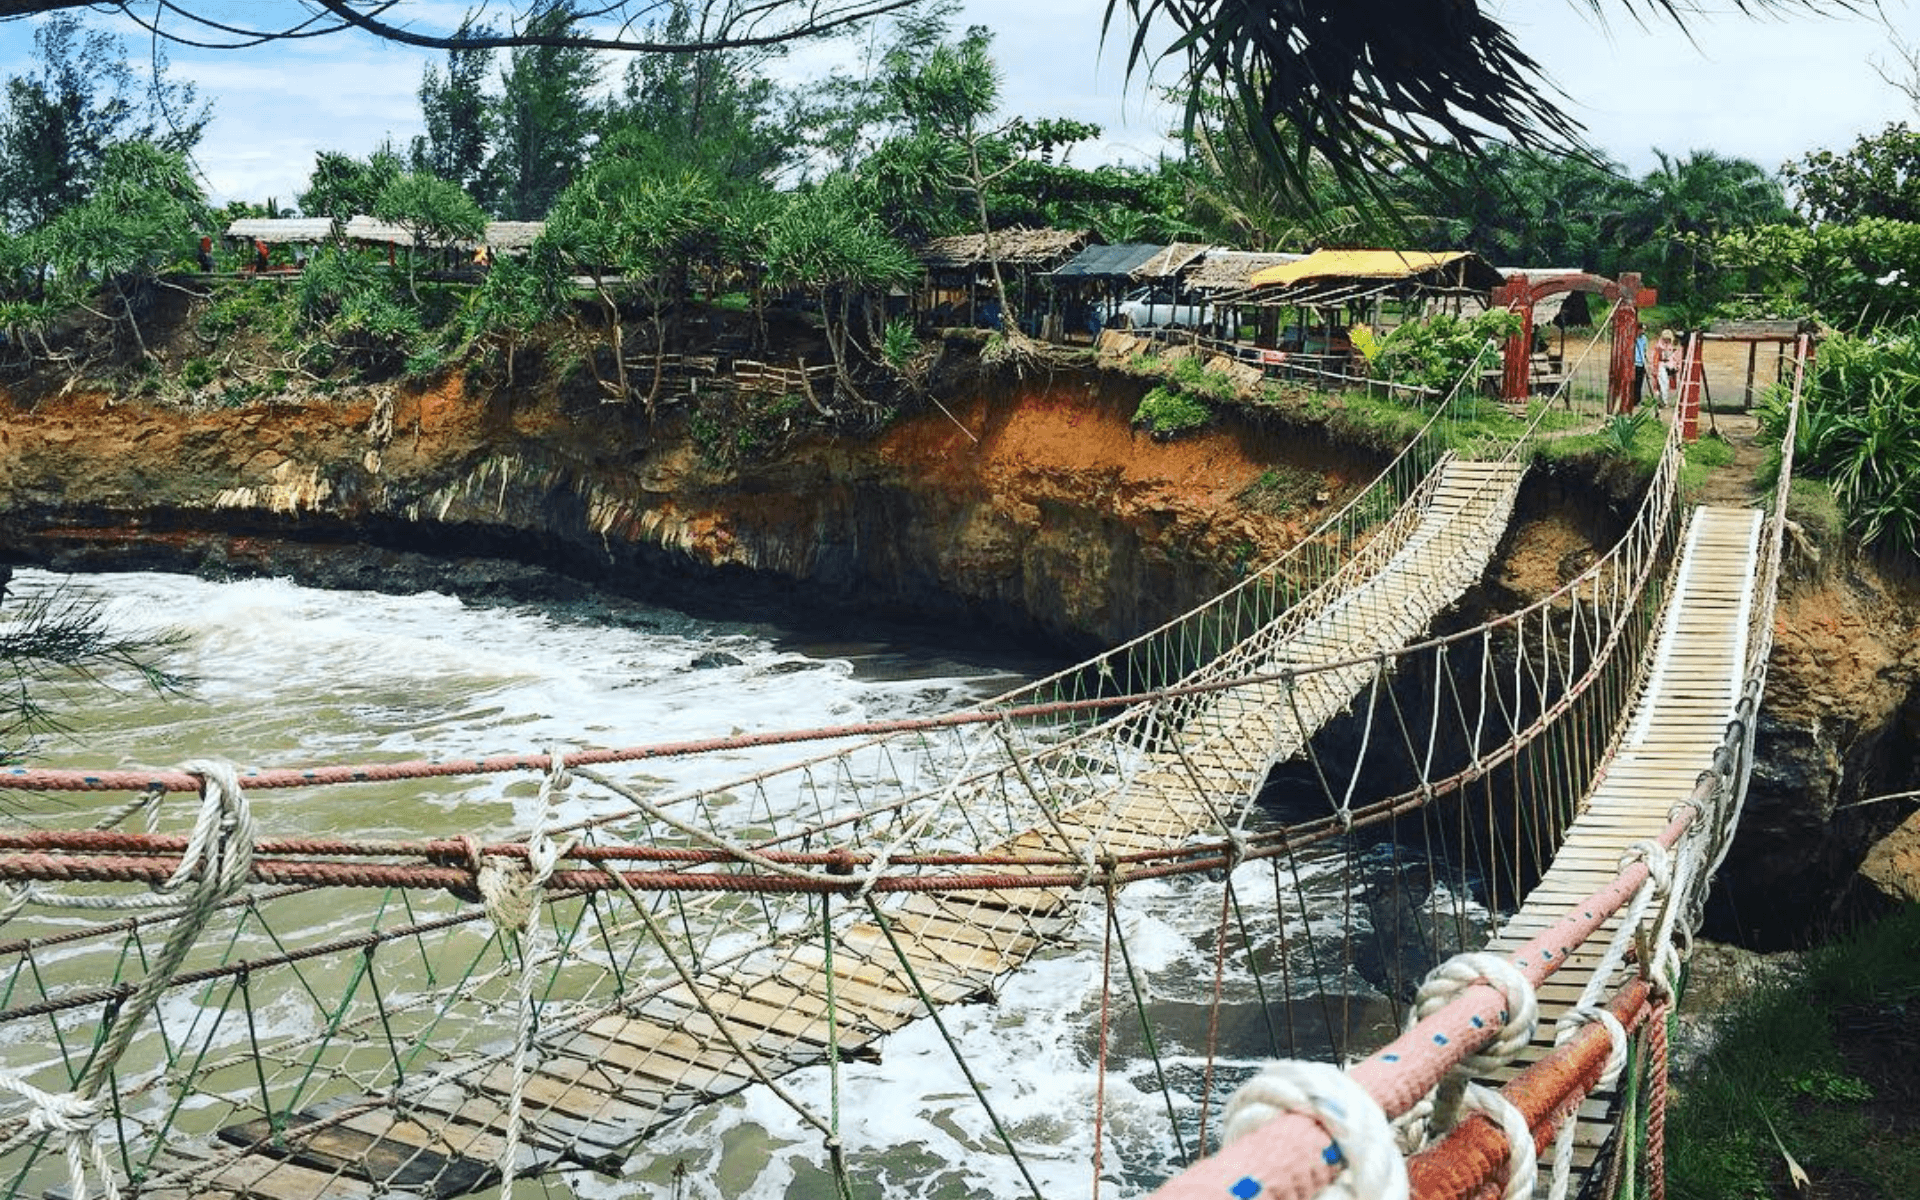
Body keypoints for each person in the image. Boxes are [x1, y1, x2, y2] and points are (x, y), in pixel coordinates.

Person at [1653, 328, 1679, 408]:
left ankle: (1667, 400)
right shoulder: (1659, 345)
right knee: (1663, 382)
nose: (1666, 340)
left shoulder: (1673, 345)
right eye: (1665, 338)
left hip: (1671, 365)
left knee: (1671, 384)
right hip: (1662, 364)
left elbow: (1676, 356)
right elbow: (1656, 357)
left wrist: (1676, 365)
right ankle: (1664, 401)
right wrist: (1654, 367)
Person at [1632, 327, 1648, 408]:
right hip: (1633, 363)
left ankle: (1637, 401)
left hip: (1641, 363)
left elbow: (1645, 351)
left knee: (1639, 383)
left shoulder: (1644, 338)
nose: (1643, 331)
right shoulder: (1632, 338)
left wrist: (1646, 364)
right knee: (1632, 383)